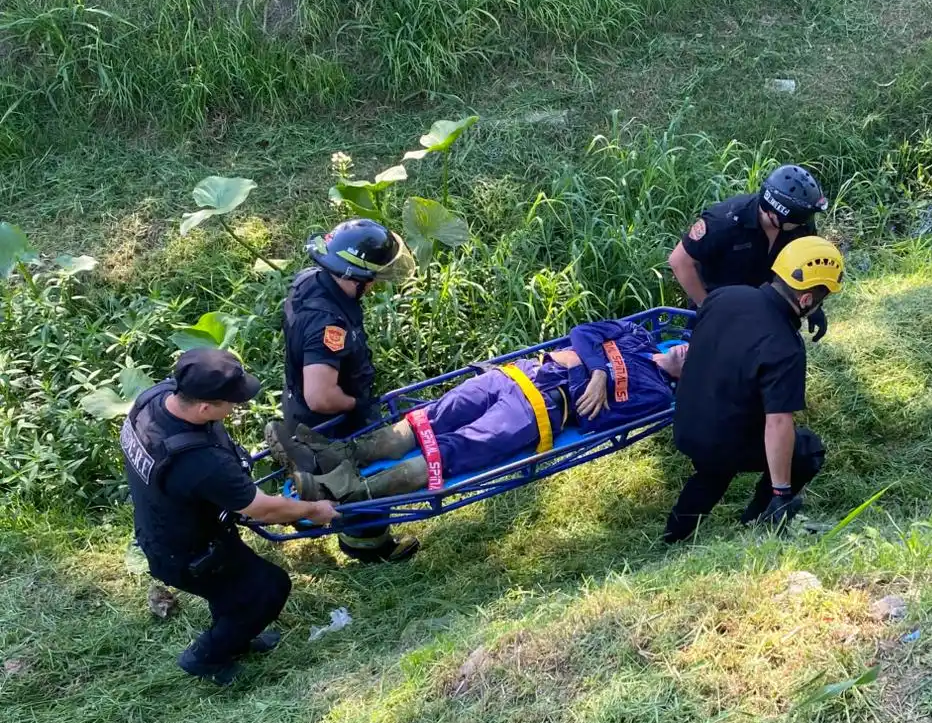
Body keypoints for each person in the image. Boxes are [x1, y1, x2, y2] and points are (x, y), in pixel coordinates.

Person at [271, 319, 689, 503]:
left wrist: (586, 367)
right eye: (696, 342)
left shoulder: (654, 394)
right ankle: (335, 456)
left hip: (540, 409)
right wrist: (596, 370)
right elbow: (582, 333)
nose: (690, 348)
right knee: (430, 417)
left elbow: (598, 418)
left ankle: (345, 492)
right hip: (517, 374)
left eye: (700, 355)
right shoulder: (637, 336)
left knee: (454, 449)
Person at [120, 349, 340, 686]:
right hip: (188, 553)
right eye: (232, 403)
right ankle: (206, 657)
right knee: (268, 589)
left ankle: (238, 636)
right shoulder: (199, 462)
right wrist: (315, 510)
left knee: (232, 589)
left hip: (167, 527)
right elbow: (263, 509)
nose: (237, 408)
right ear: (204, 408)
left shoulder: (154, 400)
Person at [662, 235, 844, 543]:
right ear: (806, 300)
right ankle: (762, 516)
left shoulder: (724, 296)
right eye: (820, 300)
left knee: (713, 471)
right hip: (721, 439)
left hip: (687, 423)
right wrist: (781, 492)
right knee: (808, 449)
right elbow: (778, 422)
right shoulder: (785, 348)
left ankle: (673, 536)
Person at [267, 218, 419, 563]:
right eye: (372, 278)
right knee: (361, 479)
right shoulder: (328, 324)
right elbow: (321, 395)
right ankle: (370, 547)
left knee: (332, 474)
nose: (374, 284)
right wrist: (356, 404)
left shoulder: (310, 280)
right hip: (330, 418)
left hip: (297, 403)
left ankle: (310, 486)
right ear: (354, 276)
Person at [667, 164, 831, 342]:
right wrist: (707, 307)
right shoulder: (725, 221)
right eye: (799, 219)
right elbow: (679, 261)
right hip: (717, 304)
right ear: (775, 213)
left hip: (762, 308)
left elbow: (806, 265)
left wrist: (814, 307)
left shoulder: (800, 225)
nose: (804, 223)